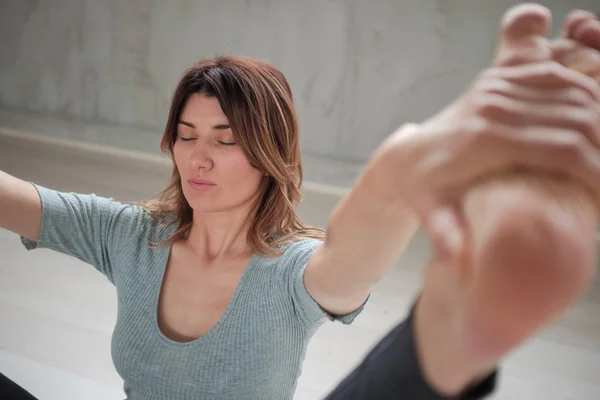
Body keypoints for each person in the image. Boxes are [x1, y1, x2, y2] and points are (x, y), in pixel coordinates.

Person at [1, 3, 600, 399]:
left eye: (225, 140)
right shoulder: (131, 236)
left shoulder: (290, 271)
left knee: (418, 352)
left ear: (268, 151)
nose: (196, 159)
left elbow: (347, 261)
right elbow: (17, 198)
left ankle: (455, 324)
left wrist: (400, 173)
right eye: (185, 137)